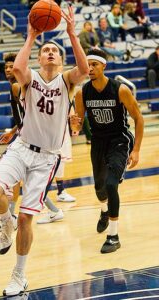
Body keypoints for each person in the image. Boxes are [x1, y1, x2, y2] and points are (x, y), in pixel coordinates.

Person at [0, 5, 89, 297]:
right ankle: (7, 220)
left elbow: (83, 70)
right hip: (21, 148)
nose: (51, 53)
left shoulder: (66, 81)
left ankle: (19, 276)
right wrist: (31, 36)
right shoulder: (29, 78)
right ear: (40, 57)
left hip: (46, 158)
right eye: (46, 50)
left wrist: (71, 34)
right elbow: (18, 69)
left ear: (61, 58)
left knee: (28, 218)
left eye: (55, 50)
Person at [71, 48, 144, 254]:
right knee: (99, 188)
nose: (90, 68)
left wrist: (136, 150)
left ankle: (113, 235)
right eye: (88, 65)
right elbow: (78, 122)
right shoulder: (82, 92)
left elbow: (139, 118)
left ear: (104, 66)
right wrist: (74, 125)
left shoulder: (120, 90)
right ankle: (104, 211)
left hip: (119, 140)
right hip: (98, 141)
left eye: (95, 64)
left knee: (112, 185)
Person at [0, 53, 64, 232]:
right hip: (24, 136)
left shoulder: (18, 87)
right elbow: (24, 117)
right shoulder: (14, 86)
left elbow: (31, 116)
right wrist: (13, 132)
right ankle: (54, 211)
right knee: (29, 182)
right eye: (6, 67)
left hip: (34, 140)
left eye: (11, 66)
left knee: (18, 179)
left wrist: (17, 132)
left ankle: (11, 217)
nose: (8, 70)